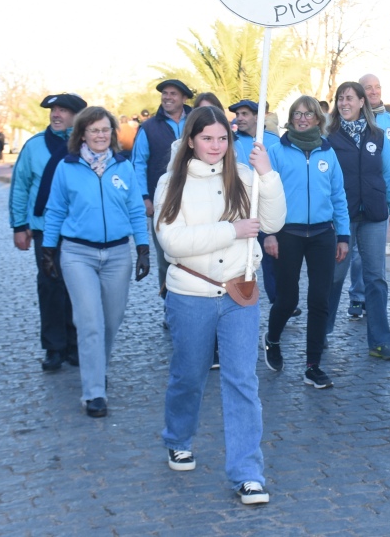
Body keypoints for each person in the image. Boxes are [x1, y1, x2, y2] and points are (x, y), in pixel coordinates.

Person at [153, 106, 286, 506]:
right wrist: (232, 230)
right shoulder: (171, 182)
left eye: (223, 138)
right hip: (191, 292)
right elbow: (172, 242)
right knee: (189, 374)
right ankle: (177, 438)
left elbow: (275, 223)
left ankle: (248, 473)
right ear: (191, 139)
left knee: (242, 380)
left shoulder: (244, 177)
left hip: (239, 294)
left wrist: (267, 175)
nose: (216, 145)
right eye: (207, 138)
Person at [42, 106, 150, 417]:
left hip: (117, 255)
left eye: (105, 130)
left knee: (111, 322)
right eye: (94, 130)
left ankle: (97, 366)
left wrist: (142, 248)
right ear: (82, 135)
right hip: (78, 254)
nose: (100, 135)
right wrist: (49, 251)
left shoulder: (123, 167)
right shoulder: (67, 167)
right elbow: (56, 211)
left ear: (112, 134)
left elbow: (134, 210)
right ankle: (94, 392)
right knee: (89, 322)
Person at [263, 96, 350, 390]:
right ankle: (272, 339)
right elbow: (264, 194)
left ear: (317, 119)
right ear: (291, 118)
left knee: (319, 300)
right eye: (297, 114)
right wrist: (268, 234)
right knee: (288, 299)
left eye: (307, 114)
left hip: (323, 235)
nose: (302, 119)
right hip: (287, 234)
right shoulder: (276, 152)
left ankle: (313, 365)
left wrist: (344, 236)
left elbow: (338, 196)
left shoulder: (328, 153)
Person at [324, 81, 390, 360]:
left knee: (376, 279)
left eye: (349, 98)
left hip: (374, 215)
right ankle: (322, 333)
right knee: (334, 277)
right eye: (340, 99)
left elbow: (388, 177)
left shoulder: (378, 136)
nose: (344, 103)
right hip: (340, 218)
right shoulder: (328, 137)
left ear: (361, 102)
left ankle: (380, 342)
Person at [9, 93, 86, 371]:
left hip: (80, 230)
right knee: (50, 287)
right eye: (53, 110)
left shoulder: (87, 145)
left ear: (77, 116)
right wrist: (20, 225)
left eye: (63, 111)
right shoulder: (34, 147)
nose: (56, 115)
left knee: (79, 289)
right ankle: (54, 348)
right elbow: (20, 186)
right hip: (45, 230)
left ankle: (77, 345)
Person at [341, 73, 390, 321]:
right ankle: (356, 296)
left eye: (377, 87)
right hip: (349, 205)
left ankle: (376, 316)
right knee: (352, 258)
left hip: (377, 201)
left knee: (373, 263)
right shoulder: (339, 128)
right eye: (368, 88)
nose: (374, 91)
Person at [132, 79, 193, 299]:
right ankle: (170, 307)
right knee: (166, 258)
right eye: (164, 93)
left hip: (195, 199)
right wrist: (144, 197)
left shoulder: (196, 122)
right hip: (162, 203)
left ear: (184, 98)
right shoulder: (148, 128)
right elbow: (138, 164)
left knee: (194, 255)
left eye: (173, 94)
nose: (167, 97)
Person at [229, 99, 282, 309]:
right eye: (238, 114)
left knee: (272, 257)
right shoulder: (231, 141)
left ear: (257, 118)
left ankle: (277, 300)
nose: (239, 118)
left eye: (244, 114)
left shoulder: (273, 141)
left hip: (267, 205)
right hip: (241, 208)